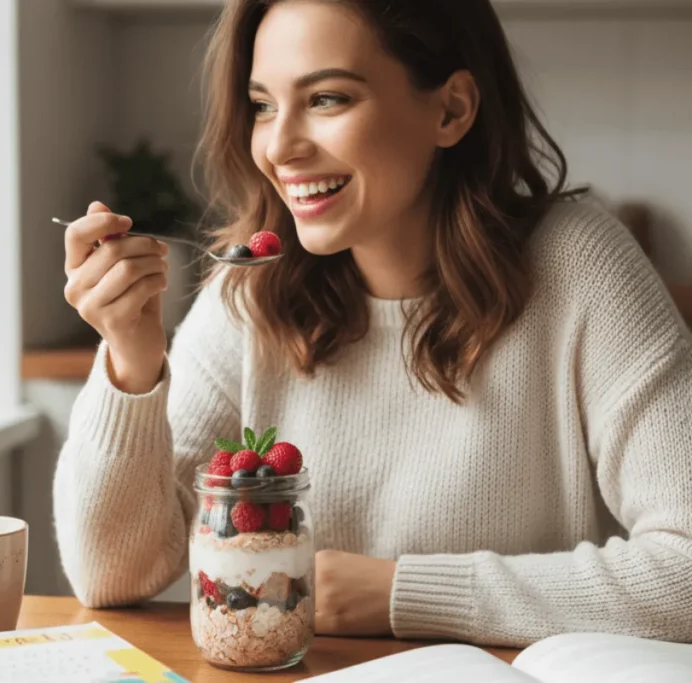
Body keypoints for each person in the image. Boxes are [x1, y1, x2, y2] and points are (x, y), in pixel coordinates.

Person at [53, 0, 692, 648]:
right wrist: (130, 360)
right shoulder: (253, 288)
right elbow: (112, 576)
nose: (279, 147)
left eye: (327, 98)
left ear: (451, 110)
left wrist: (400, 593)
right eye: (264, 104)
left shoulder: (581, 266)